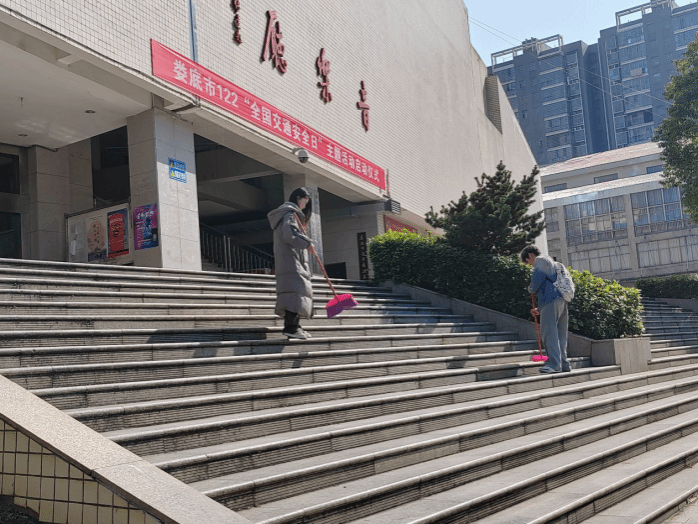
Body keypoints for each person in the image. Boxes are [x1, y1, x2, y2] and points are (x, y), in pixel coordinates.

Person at [267, 187, 314, 339]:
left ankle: (295, 326)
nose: (305, 205)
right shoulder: (289, 214)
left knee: (296, 292)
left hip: (292, 260)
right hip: (290, 261)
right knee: (295, 292)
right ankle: (291, 328)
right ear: (298, 198)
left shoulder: (290, 215)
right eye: (305, 201)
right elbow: (290, 235)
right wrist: (307, 243)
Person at [520, 245, 570, 374]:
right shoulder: (551, 262)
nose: (530, 265)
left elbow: (535, 285)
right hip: (561, 299)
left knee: (549, 333)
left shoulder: (540, 260)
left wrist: (530, 288)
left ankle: (554, 364)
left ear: (531, 255)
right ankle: (564, 364)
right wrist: (540, 308)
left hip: (550, 300)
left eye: (528, 261)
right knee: (560, 334)